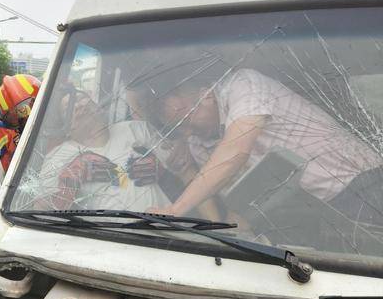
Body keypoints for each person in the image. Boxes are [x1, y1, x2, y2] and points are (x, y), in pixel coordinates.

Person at [157, 68, 383, 221]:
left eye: (186, 122)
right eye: (179, 130)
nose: (187, 134)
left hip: (365, 181)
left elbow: (235, 150)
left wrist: (175, 209)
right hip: (319, 212)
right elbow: (242, 197)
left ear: (206, 95)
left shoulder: (243, 84)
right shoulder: (197, 143)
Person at [37, 87, 171, 212]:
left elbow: (180, 166)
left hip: (168, 223)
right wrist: (70, 181)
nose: (78, 106)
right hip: (107, 229)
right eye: (68, 108)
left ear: (97, 105)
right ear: (66, 127)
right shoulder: (59, 158)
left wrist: (162, 170)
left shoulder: (136, 129)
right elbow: (39, 209)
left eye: (80, 98)